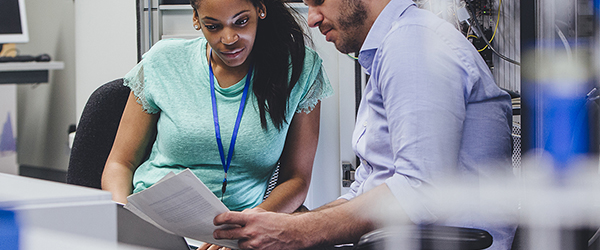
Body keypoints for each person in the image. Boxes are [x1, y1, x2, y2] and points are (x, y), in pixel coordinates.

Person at [211, 0, 516, 249]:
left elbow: (420, 190)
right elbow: (365, 189)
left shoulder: (413, 46)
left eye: (318, 2)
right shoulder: (396, 46)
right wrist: (287, 226)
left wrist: (299, 232)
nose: (313, 19)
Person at [101, 0, 332, 246]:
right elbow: (120, 163)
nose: (229, 38)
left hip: (242, 230)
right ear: (196, 19)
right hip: (154, 227)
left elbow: (296, 179)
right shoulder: (163, 61)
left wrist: (251, 226)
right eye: (213, 26)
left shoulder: (298, 69)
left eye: (241, 22)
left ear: (260, 10)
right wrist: (125, 222)